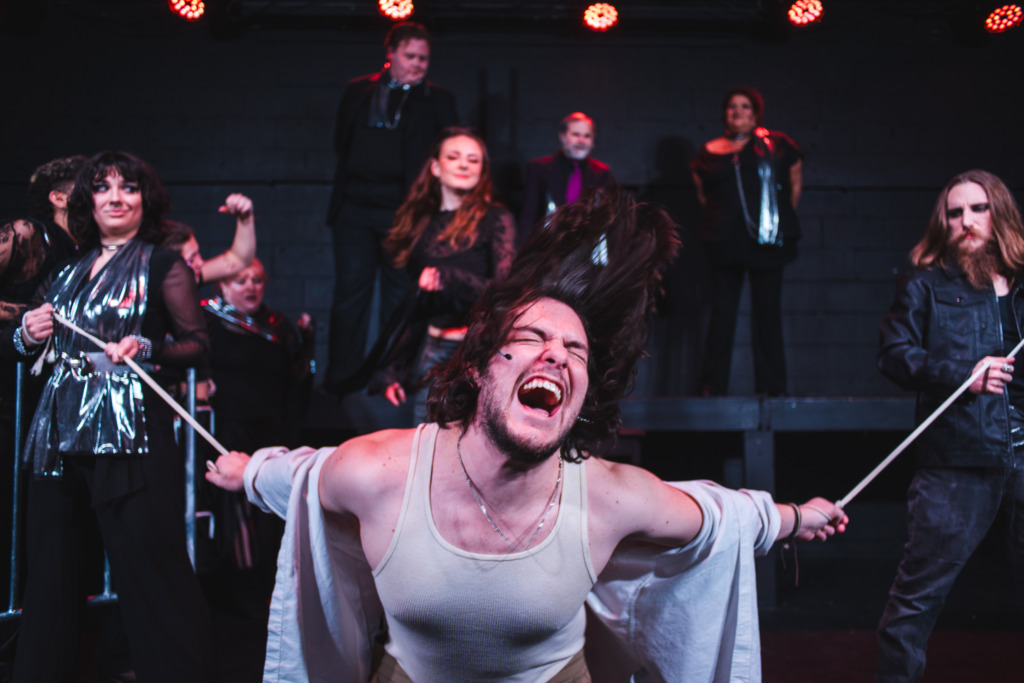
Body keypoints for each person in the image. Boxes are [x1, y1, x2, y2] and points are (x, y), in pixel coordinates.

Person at [207, 189, 847, 682]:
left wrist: (796, 516)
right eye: (531, 340)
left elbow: (720, 515)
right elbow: (301, 474)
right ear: (483, 367)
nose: (557, 357)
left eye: (575, 351)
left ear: (581, 394)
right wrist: (247, 472)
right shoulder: (380, 471)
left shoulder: (608, 495)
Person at [5, 151, 213, 683]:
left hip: (130, 438)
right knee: (49, 581)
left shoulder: (162, 263)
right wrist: (24, 335)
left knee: (152, 573)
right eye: (104, 188)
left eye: (130, 188)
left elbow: (197, 345)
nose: (117, 197)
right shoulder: (66, 271)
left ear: (147, 200)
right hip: (57, 435)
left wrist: (148, 345)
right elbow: (22, 347)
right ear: (88, 202)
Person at [875, 169, 1024, 683]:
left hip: (1023, 456)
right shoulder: (926, 281)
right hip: (957, 461)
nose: (966, 221)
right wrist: (965, 375)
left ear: (998, 212)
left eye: (977, 209)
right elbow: (894, 356)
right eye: (955, 212)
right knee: (914, 604)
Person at [324, 21, 458, 394]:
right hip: (355, 205)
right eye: (410, 56)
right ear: (391, 53)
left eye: (424, 58)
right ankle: (341, 379)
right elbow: (342, 142)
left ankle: (389, 377)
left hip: (403, 212)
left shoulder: (436, 99)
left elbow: (447, 149)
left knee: (398, 295)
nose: (417, 64)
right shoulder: (359, 91)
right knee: (350, 293)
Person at [200, 258, 314, 678]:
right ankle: (242, 600)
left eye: (257, 280)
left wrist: (309, 340)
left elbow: (297, 379)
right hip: (225, 433)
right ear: (223, 283)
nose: (250, 286)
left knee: (272, 520)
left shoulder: (279, 325)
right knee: (236, 521)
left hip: (270, 433)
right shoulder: (206, 319)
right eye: (239, 279)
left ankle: (268, 594)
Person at [372, 127, 515, 424]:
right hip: (433, 353)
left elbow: (506, 290)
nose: (464, 164)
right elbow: (417, 308)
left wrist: (449, 276)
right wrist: (393, 368)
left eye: (473, 160)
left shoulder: (495, 219)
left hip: (479, 354)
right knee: (428, 453)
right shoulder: (420, 224)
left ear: (482, 171)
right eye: (454, 157)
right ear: (436, 167)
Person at [691, 86, 803, 396]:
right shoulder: (709, 152)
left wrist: (772, 222)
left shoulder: (777, 146)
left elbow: (794, 184)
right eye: (732, 107)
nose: (737, 112)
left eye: (744, 107)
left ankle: (772, 388)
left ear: (755, 114)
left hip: (767, 245)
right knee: (722, 314)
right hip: (724, 244)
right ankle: (712, 386)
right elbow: (704, 195)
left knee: (767, 315)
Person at [519, 112, 615, 246]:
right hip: (548, 247)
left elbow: (607, 218)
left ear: (593, 141)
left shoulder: (602, 172)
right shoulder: (539, 168)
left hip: (584, 249)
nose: (581, 140)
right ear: (562, 136)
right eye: (576, 134)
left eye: (587, 136)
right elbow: (528, 216)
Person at [160, 191, 256, 285]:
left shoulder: (192, 276)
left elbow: (239, 259)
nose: (201, 263)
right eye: (191, 259)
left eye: (197, 255)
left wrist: (245, 219)